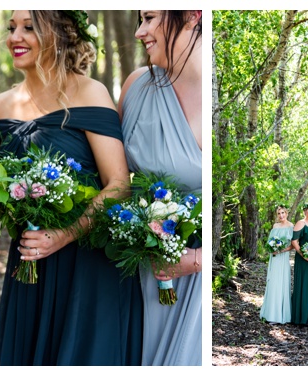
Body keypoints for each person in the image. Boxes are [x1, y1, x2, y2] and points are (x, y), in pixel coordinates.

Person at [0, 10, 142, 366]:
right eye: (12, 28)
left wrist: (63, 234)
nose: (15, 37)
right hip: (29, 260)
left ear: (59, 33)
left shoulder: (90, 92)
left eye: (29, 27)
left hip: (87, 263)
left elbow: (118, 184)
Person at [119, 10, 202, 365]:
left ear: (191, 16)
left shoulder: (219, 93)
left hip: (196, 284)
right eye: (140, 19)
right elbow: (114, 184)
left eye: (150, 18)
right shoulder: (136, 86)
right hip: (137, 272)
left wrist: (197, 260)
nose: (140, 32)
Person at [259, 205, 294, 325]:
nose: (281, 215)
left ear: (287, 213)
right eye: (279, 213)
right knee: (273, 283)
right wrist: (272, 248)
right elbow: (270, 242)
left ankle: (281, 314)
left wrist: (281, 250)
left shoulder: (291, 226)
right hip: (274, 258)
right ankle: (271, 314)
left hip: (283, 258)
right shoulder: (275, 226)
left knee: (282, 283)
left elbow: (293, 245)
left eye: (283, 213)